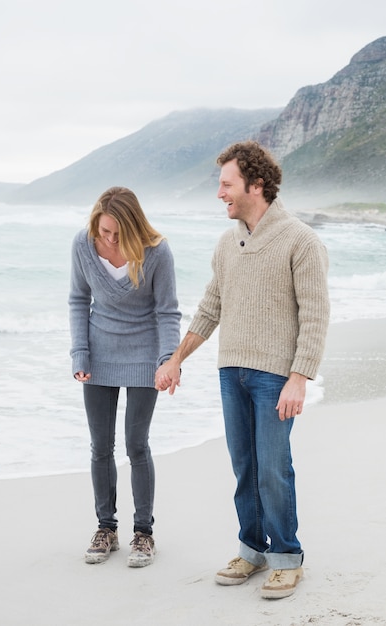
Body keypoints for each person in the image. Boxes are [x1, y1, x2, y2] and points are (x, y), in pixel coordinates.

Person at [155, 141, 330, 599]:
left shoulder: (300, 240)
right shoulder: (227, 243)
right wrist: (175, 359)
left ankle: (287, 557)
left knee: (273, 468)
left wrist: (299, 377)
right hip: (231, 371)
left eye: (226, 184)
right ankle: (252, 550)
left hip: (275, 375)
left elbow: (315, 314)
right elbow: (210, 307)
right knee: (244, 466)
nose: (219, 194)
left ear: (256, 185)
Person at [69, 186, 181, 568]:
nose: (111, 240)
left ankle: (143, 533)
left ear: (134, 226)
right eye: (105, 232)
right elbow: (78, 300)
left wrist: (169, 359)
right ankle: (106, 529)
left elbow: (167, 311)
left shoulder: (157, 251)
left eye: (119, 233)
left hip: (144, 356)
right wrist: (80, 352)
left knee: (137, 444)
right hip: (98, 356)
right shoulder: (83, 246)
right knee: (100, 446)